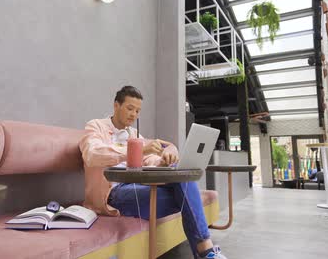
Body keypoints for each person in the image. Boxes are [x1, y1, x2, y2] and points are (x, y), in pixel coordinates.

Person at [79, 86, 226, 259]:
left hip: (136, 187)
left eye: (138, 111)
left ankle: (205, 250)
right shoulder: (95, 126)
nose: (134, 114)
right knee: (188, 197)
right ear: (116, 105)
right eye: (130, 108)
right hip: (112, 195)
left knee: (180, 173)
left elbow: (149, 160)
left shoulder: (133, 134)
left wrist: (164, 161)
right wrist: (138, 149)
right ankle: (206, 251)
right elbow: (92, 154)